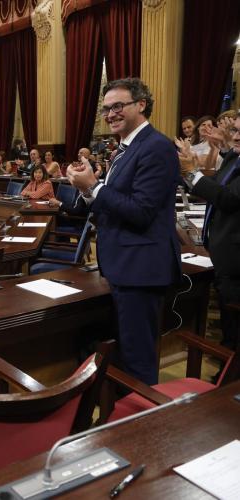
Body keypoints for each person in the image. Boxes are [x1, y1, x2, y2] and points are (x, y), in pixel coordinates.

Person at [66, 77, 181, 386]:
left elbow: (141, 212)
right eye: (106, 109)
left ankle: (142, 414)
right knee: (126, 350)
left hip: (141, 269)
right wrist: (88, 190)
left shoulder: (156, 147)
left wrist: (94, 187)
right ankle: (125, 408)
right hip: (123, 266)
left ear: (141, 105)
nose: (110, 114)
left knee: (137, 357)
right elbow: (114, 201)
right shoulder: (125, 148)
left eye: (118, 106)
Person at [180, 113, 240, 356]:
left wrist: (192, 172)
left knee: (235, 322)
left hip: (236, 258)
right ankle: (227, 366)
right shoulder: (234, 157)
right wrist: (190, 171)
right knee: (229, 321)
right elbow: (216, 183)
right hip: (225, 255)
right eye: (235, 130)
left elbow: (228, 198)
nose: (236, 137)